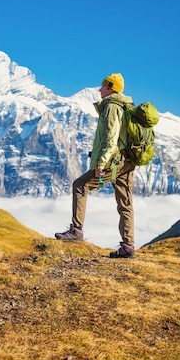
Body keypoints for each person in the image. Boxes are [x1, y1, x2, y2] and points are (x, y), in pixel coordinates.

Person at [55, 73, 136, 258]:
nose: (100, 89)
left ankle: (76, 231)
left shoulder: (112, 107)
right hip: (127, 160)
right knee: (125, 203)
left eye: (103, 86)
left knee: (80, 185)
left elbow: (110, 138)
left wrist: (101, 162)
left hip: (114, 160)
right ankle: (128, 246)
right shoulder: (125, 106)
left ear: (110, 88)